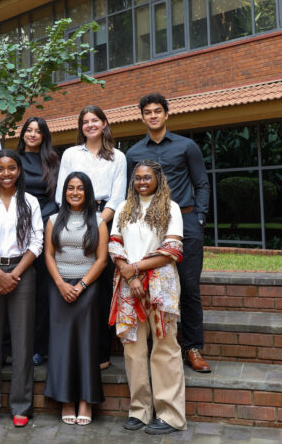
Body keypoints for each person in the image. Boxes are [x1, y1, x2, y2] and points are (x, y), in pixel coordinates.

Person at [125, 93, 212, 374]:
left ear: (166, 114)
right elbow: (131, 192)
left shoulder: (187, 147)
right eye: (147, 112)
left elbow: (202, 183)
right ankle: (157, 347)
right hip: (147, 228)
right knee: (151, 286)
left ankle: (193, 348)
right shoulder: (134, 153)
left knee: (189, 287)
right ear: (142, 117)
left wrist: (198, 219)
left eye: (157, 111)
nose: (153, 115)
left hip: (185, 222)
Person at [109, 159, 186, 435]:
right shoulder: (123, 207)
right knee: (133, 349)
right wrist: (130, 276)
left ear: (158, 179)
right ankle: (139, 410)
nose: (142, 182)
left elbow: (173, 247)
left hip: (159, 286)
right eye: (138, 178)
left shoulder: (170, 207)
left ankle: (170, 414)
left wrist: (137, 268)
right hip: (129, 287)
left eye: (147, 177)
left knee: (164, 346)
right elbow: (114, 244)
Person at [0, 149, 43, 428]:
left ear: (19, 170)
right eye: (0, 169)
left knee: (22, 341)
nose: (6, 173)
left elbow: (37, 242)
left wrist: (13, 274)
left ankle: (21, 405)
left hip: (22, 272)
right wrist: (0, 274)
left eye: (11, 168)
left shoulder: (30, 202)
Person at [54, 105, 126, 369]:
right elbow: (61, 192)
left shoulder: (117, 156)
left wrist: (98, 223)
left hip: (103, 218)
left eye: (95, 120)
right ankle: (70, 349)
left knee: (103, 287)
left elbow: (118, 196)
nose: (90, 125)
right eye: (85, 121)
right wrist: (79, 222)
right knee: (71, 281)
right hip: (71, 220)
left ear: (105, 123)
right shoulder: (71, 154)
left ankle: (101, 352)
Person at [43, 172, 107, 426]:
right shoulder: (53, 219)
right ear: (65, 192)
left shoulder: (99, 221)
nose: (75, 193)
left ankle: (85, 401)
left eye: (80, 188)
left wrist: (81, 285)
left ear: (87, 192)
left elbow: (102, 259)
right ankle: (66, 401)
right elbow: (48, 254)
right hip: (59, 287)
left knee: (85, 344)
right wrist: (60, 283)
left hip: (87, 288)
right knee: (61, 345)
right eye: (70, 188)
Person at [15, 116, 59, 367]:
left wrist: (41, 222)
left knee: (43, 290)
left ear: (44, 136)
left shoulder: (53, 161)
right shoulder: (15, 160)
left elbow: (57, 196)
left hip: (45, 228)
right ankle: (16, 345)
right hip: (16, 229)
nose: (32, 134)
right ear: (23, 134)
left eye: (38, 131)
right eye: (28, 130)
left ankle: (40, 347)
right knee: (21, 288)